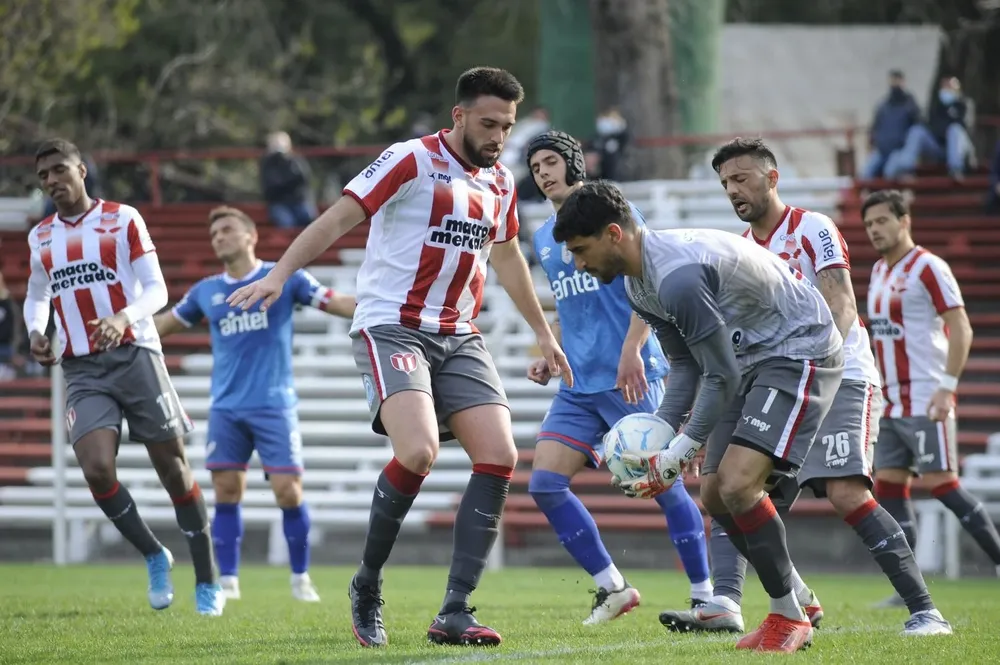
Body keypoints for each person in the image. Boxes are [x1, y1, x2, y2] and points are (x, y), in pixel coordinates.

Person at [226, 67, 571, 648]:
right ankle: (366, 582)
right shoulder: (410, 159)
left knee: (501, 455)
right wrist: (280, 274)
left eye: (507, 127)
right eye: (488, 123)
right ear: (458, 116)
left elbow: (508, 258)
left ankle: (455, 610)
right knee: (418, 452)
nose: (498, 136)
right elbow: (338, 218)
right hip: (392, 326)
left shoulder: (502, 182)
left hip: (459, 334)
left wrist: (544, 333)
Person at [658, 138, 950, 638]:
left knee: (845, 494)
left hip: (840, 372)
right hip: (777, 379)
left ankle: (926, 611)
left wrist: (820, 367)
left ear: (772, 178)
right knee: (729, 488)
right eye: (726, 182)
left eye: (743, 177)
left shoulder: (812, 228)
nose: (734, 189)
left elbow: (841, 304)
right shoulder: (740, 251)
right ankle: (735, 602)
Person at [552, 179, 844, 653]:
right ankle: (798, 597)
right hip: (749, 357)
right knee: (714, 493)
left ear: (614, 233)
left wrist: (676, 453)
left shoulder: (676, 279)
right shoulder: (636, 284)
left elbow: (720, 375)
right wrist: (657, 438)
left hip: (798, 349)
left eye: (582, 250)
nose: (581, 264)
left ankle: (788, 618)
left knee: (736, 484)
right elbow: (686, 365)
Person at [23, 138, 224, 615]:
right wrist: (36, 330)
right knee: (95, 469)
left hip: (135, 354)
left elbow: (158, 290)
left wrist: (123, 318)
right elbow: (38, 294)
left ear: (81, 170)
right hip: (81, 366)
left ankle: (206, 576)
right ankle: (154, 553)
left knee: (173, 471)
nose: (51, 181)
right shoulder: (41, 237)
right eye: (42, 176)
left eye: (58, 170)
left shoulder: (122, 219)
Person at [524, 131, 711, 624]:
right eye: (534, 166)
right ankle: (613, 587)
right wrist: (552, 350)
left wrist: (633, 347)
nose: (542, 173)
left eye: (549, 162)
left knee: (663, 485)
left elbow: (645, 278)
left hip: (630, 376)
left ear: (572, 163)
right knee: (544, 483)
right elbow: (569, 303)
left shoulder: (615, 212)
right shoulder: (545, 237)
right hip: (577, 383)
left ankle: (705, 594)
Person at [153, 205, 356, 603]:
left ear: (251, 236)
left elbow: (334, 301)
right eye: (214, 234)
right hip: (227, 408)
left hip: (274, 405)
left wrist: (386, 308)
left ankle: (301, 578)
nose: (220, 238)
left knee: (288, 491)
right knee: (226, 490)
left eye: (227, 229)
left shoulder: (284, 277)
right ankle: (228, 580)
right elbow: (164, 325)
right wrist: (123, 328)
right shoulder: (206, 291)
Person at [864, 189, 1000, 592]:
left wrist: (947, 388)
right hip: (889, 400)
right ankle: (910, 585)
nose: (874, 229)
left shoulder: (928, 267)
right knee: (888, 487)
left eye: (882, 221)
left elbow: (961, 328)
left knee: (942, 484)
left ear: (904, 221)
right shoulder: (876, 271)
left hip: (926, 395)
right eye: (869, 223)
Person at [861, 70, 921, 180]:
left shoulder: (910, 105)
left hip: (899, 151)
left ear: (903, 82)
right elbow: (875, 128)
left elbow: (916, 129)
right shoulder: (883, 106)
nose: (895, 84)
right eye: (893, 81)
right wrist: (872, 143)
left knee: (890, 172)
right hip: (881, 151)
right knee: (864, 174)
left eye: (897, 81)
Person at [260, 131, 318, 229]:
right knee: (286, 223)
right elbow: (271, 186)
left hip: (299, 200)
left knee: (311, 221)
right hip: (279, 202)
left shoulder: (296, 161)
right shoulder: (267, 164)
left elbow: (304, 180)